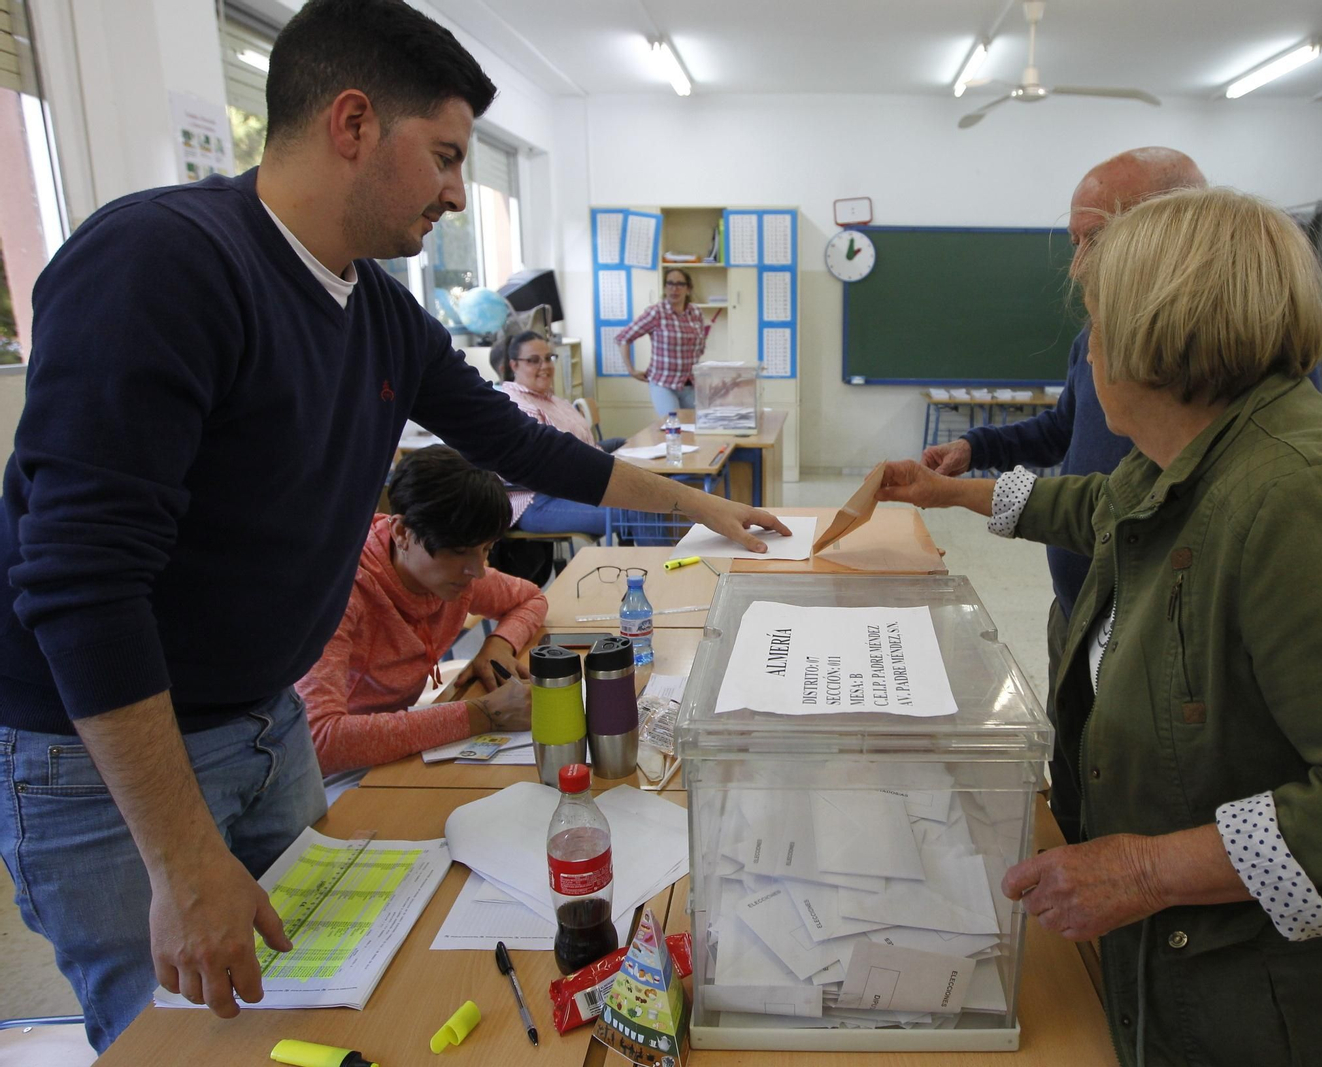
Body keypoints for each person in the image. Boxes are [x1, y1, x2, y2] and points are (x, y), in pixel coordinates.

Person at [0, 0, 786, 1050]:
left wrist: (704, 505)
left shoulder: (374, 307)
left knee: (330, 995)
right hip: (107, 755)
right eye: (449, 157)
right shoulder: (163, 260)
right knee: (176, 1028)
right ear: (355, 123)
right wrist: (184, 858)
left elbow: (532, 449)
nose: (460, 193)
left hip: (263, 721)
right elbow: (80, 578)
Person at [877, 186, 1322, 1065]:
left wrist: (1141, 869)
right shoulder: (1201, 453)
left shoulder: (1303, 494)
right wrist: (952, 492)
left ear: (1150, 333)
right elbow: (1101, 504)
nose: (1089, 348)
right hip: (1225, 972)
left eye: (1097, 322)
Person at [918, 147, 1204, 830]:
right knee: (1078, 777)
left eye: (1094, 241)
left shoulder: (1230, 373)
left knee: (1146, 811)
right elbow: (1100, 493)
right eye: (1074, 244)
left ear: (1171, 230)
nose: (1078, 269)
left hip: (1158, 636)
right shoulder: (1097, 338)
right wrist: (974, 454)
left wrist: (1149, 873)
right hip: (1081, 606)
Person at [297, 446, 544, 777]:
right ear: (401, 532)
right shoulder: (338, 593)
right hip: (331, 770)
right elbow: (319, 741)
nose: (478, 571)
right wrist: (483, 714)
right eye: (459, 552)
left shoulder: (452, 575)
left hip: (396, 744)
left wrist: (500, 643)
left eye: (486, 549)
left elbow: (530, 598)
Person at [489, 329, 621, 538]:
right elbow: (549, 467)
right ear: (514, 365)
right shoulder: (518, 406)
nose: (545, 366)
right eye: (534, 360)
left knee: (626, 453)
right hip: (537, 501)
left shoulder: (550, 399)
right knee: (639, 511)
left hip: (572, 487)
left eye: (548, 358)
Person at [616, 267, 707, 416]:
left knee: (695, 426)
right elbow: (623, 337)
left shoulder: (695, 312)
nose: (674, 289)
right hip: (663, 383)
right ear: (665, 287)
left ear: (688, 288)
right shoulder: (656, 312)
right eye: (669, 284)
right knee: (673, 427)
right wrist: (631, 370)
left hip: (689, 383)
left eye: (679, 284)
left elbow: (699, 346)